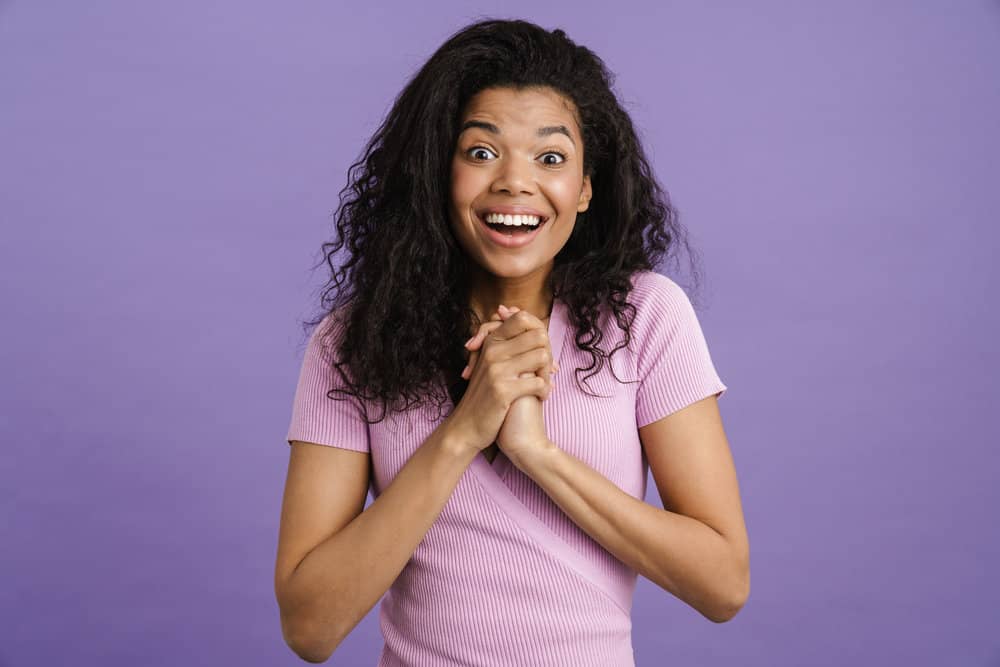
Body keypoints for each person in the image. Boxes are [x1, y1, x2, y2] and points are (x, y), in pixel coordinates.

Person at [274, 17, 749, 666]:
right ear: (437, 173)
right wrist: (465, 430)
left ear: (585, 189)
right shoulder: (351, 341)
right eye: (481, 151)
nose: (515, 183)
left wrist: (537, 453)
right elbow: (309, 625)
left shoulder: (646, 318)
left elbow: (723, 583)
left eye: (550, 158)